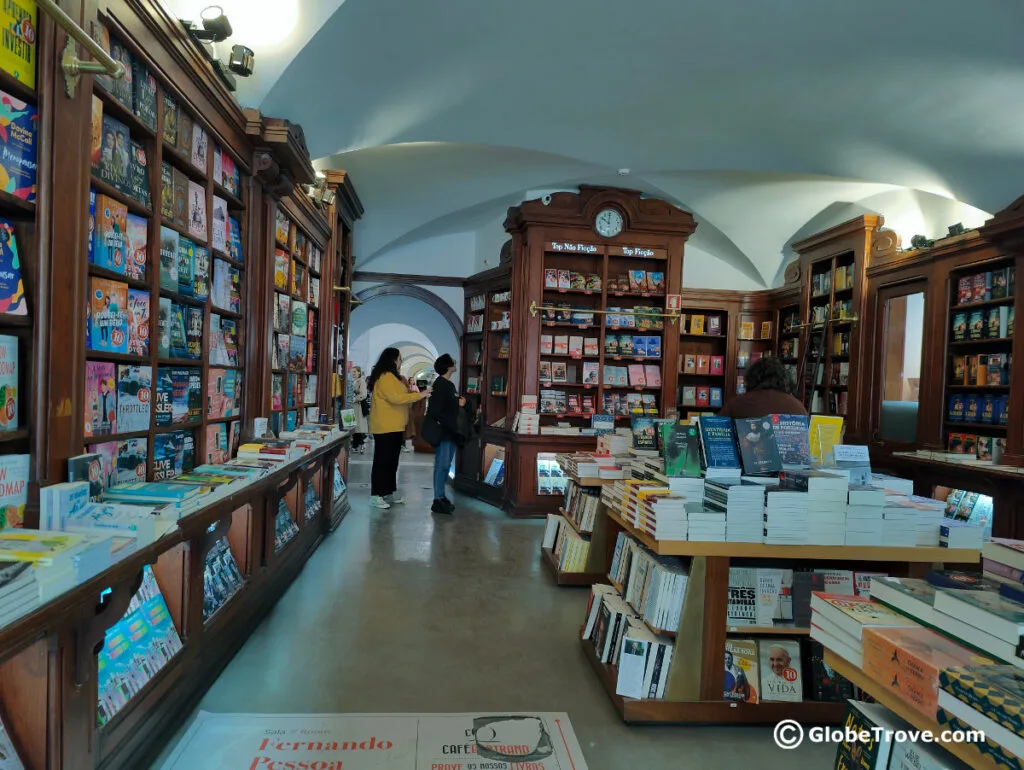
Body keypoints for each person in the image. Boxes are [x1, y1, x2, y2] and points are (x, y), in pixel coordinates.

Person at [368, 348, 430, 509]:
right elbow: (396, 398)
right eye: (399, 359)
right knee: (383, 461)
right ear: (392, 360)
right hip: (385, 426)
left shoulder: (393, 377)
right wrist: (419, 395)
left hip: (394, 426)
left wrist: (414, 395)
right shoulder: (386, 377)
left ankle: (387, 492)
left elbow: (401, 395)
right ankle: (376, 495)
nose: (400, 362)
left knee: (391, 461)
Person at [424, 354, 465, 514]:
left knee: (445, 465)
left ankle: (440, 496)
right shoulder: (441, 384)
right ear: (448, 366)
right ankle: (438, 498)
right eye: (453, 362)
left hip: (450, 431)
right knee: (442, 465)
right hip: (445, 432)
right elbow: (436, 410)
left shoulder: (448, 384)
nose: (455, 363)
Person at [718, 356, 807, 419]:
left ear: (751, 377)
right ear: (784, 379)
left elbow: (716, 435)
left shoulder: (735, 403)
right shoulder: (797, 406)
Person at [349, 366, 368, 453]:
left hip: (358, 406)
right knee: (355, 427)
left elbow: (363, 394)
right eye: (352, 372)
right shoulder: (352, 381)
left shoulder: (362, 381)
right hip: (353, 406)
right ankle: (356, 445)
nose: (353, 374)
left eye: (355, 372)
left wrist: (355, 398)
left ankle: (360, 444)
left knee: (358, 427)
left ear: (359, 372)